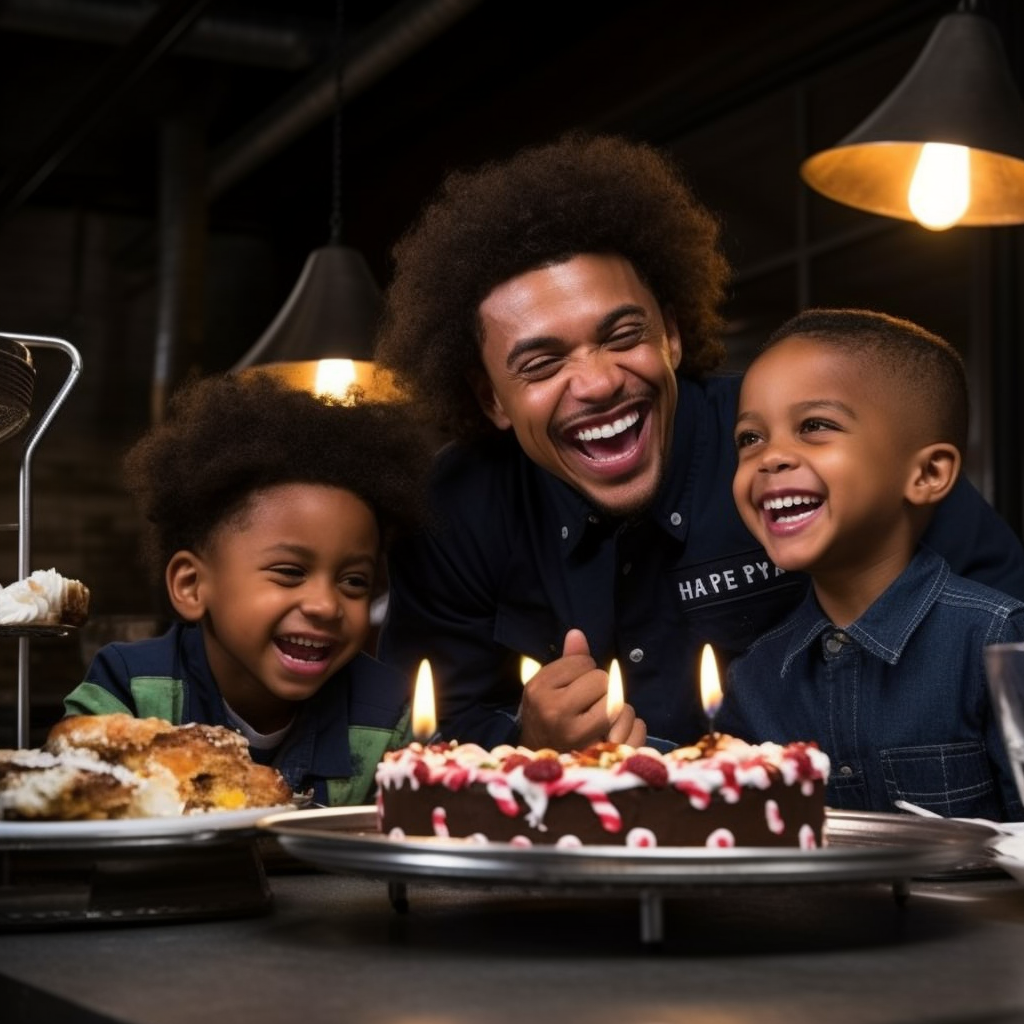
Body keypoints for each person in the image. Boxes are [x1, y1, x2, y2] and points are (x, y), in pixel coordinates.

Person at [373, 130, 1024, 755]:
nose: (598, 383)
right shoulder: (456, 511)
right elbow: (420, 730)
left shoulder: (793, 436)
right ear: (491, 398)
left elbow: (1002, 626)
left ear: (672, 337)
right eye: (542, 365)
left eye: (623, 336)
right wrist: (525, 743)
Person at [63, 371, 432, 806]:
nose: (325, 605)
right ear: (192, 585)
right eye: (290, 572)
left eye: (354, 581)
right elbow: (76, 801)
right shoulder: (126, 689)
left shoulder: (391, 714)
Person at [716, 308, 1024, 820]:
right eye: (751, 438)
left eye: (814, 426)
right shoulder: (754, 681)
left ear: (927, 473)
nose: (770, 458)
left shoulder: (998, 641)